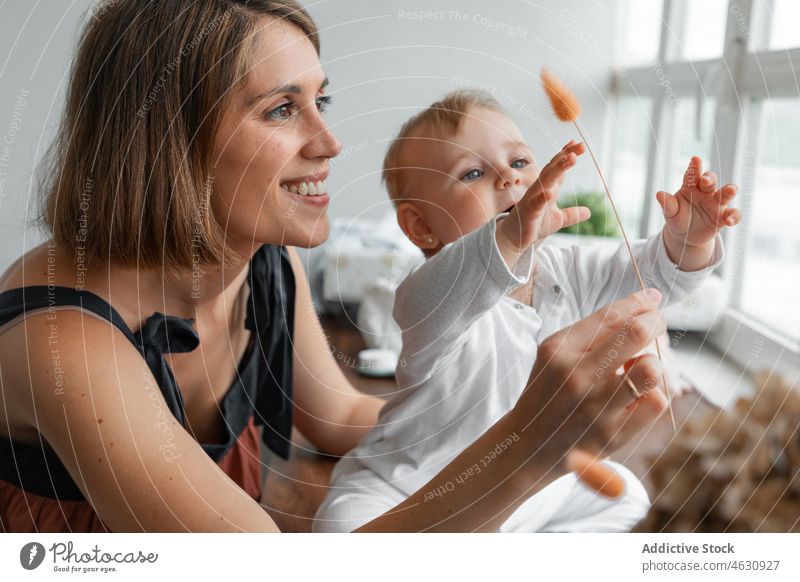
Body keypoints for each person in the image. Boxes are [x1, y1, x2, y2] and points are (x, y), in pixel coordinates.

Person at [0, 0, 668, 533]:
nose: (330, 141)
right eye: (282, 109)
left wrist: (489, 402)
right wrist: (530, 445)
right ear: (169, 143)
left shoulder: (265, 262)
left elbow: (339, 414)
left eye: (323, 100)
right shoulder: (61, 341)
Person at [314, 90, 740, 532]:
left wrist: (689, 240)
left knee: (625, 497)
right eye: (473, 173)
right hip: (411, 491)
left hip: (535, 494)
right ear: (421, 227)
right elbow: (448, 284)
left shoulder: (571, 267)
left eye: (519, 162)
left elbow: (653, 277)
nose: (507, 178)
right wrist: (508, 238)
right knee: (342, 530)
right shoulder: (430, 296)